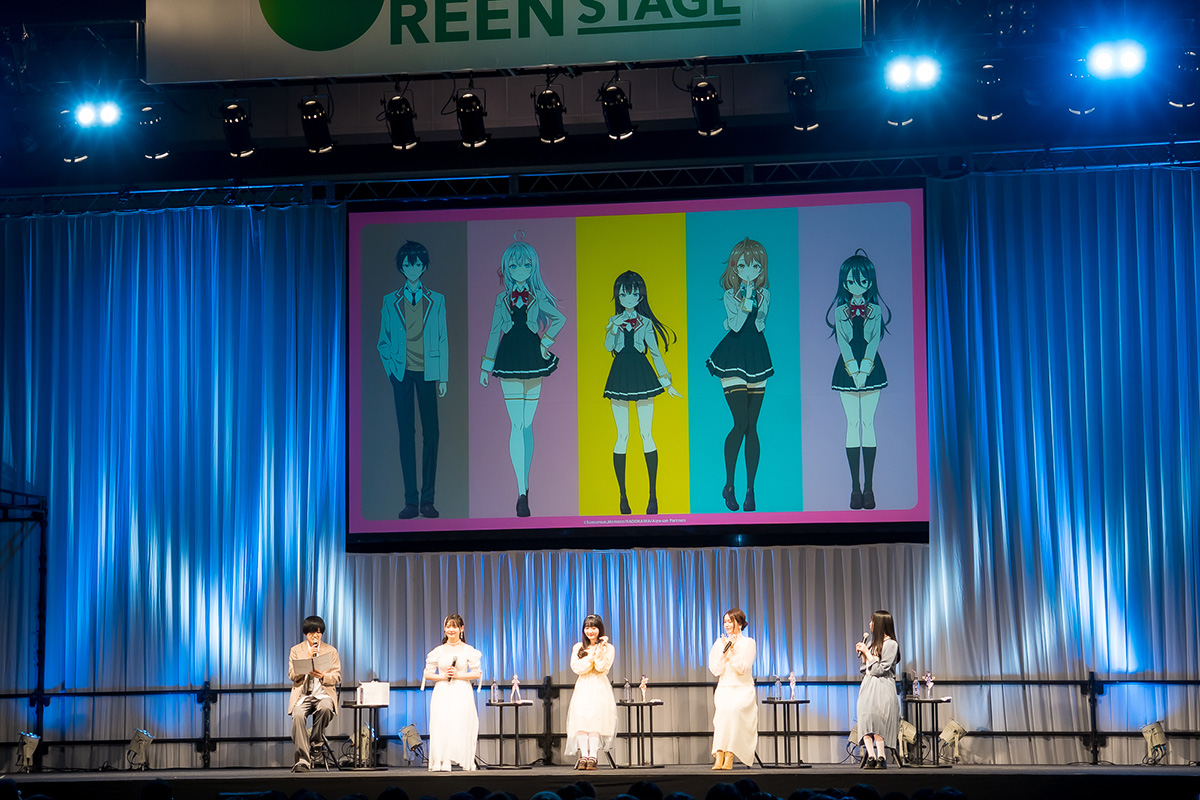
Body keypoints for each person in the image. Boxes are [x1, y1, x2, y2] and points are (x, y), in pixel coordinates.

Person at [480, 233, 567, 518]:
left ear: (533, 268)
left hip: (532, 357)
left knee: (527, 425)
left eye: (526, 265)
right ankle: (521, 492)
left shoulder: (538, 296)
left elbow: (560, 318)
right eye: (514, 265)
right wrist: (485, 366)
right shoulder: (501, 299)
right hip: (509, 358)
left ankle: (525, 485)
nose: (520, 270)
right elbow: (494, 331)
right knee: (517, 424)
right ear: (507, 268)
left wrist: (545, 342)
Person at [377, 239, 449, 520]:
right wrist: (392, 371)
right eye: (408, 265)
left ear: (424, 266)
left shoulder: (437, 300)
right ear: (401, 268)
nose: (413, 269)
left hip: (428, 373)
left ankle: (428, 500)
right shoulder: (390, 301)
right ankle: (410, 501)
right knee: (406, 435)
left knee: (432, 434)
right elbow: (383, 341)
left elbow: (442, 339)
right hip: (402, 373)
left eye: (417, 264)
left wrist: (443, 377)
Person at [603, 270, 682, 516]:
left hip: (642, 374)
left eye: (634, 294)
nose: (629, 298)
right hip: (620, 375)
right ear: (618, 296)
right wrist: (613, 327)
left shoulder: (645, 323)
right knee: (622, 435)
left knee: (647, 434)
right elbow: (608, 347)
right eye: (624, 294)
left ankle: (653, 496)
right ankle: (623, 497)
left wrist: (667, 383)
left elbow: (655, 352)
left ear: (640, 296)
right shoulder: (614, 320)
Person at [705, 238, 774, 513]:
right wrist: (745, 300)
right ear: (735, 267)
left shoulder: (765, 294)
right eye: (744, 265)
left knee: (752, 426)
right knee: (741, 423)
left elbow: (759, 324)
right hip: (732, 356)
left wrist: (754, 299)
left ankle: (750, 490)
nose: (750, 270)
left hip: (756, 354)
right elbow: (734, 326)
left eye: (755, 266)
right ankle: (730, 485)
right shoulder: (729, 295)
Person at [826, 249, 891, 510]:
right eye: (852, 281)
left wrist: (865, 369)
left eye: (863, 280)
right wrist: (854, 370)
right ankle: (855, 488)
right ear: (844, 283)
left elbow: (874, 341)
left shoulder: (875, 310)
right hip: (847, 368)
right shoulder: (840, 311)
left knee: (868, 423)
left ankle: (869, 488)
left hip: (871, 367)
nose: (858, 285)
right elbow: (842, 342)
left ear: (870, 282)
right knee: (852, 423)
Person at [423, 614, 483, 771]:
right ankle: (442, 760)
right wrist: (443, 676)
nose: (451, 629)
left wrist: (458, 675)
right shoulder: (438, 651)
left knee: (459, 724)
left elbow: (477, 673)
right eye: (448, 626)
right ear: (444, 628)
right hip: (443, 690)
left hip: (461, 690)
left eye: (454, 626)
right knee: (441, 724)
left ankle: (460, 759)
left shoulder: (468, 650)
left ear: (461, 629)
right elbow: (427, 674)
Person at [287, 615, 342, 772]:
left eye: (318, 632)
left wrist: (323, 676)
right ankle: (303, 761)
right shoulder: (296, 650)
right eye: (312, 632)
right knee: (298, 715)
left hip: (323, 694)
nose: (315, 636)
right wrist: (307, 659)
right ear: (306, 633)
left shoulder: (330, 651)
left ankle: (316, 741)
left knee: (326, 707)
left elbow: (337, 676)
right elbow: (292, 675)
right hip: (303, 696)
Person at [565, 614, 618, 770]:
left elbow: (602, 668)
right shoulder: (578, 647)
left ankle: (593, 756)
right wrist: (591, 656)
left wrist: (599, 652)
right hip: (583, 686)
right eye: (587, 627)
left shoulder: (608, 648)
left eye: (594, 627)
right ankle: (584, 756)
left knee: (595, 721)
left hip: (599, 686)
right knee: (581, 720)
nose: (590, 631)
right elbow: (577, 668)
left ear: (599, 629)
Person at [708, 608, 757, 770]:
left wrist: (733, 651)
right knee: (723, 714)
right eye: (725, 622)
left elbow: (742, 668)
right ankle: (719, 754)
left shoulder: (749, 643)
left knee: (734, 711)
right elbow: (715, 670)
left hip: (743, 689)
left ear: (740, 623)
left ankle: (730, 754)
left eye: (730, 621)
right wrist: (723, 653)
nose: (727, 624)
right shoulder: (719, 643)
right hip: (725, 688)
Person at [854, 609, 901, 769]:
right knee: (866, 718)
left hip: (883, 686)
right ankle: (871, 757)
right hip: (868, 685)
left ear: (880, 624)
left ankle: (881, 756)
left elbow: (880, 670)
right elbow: (865, 669)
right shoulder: (871, 644)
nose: (870, 624)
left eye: (872, 621)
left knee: (879, 720)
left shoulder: (891, 644)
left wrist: (868, 653)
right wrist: (864, 655)